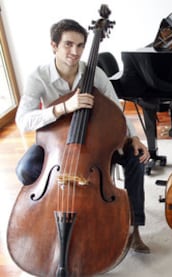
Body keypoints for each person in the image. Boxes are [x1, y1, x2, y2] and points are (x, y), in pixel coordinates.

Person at [15, 19, 151, 253]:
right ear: (54, 45)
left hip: (96, 141)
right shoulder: (38, 77)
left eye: (80, 46)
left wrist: (134, 137)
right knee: (25, 169)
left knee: (135, 159)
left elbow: (116, 110)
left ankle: (134, 227)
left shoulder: (94, 74)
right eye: (68, 44)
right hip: (55, 144)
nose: (75, 52)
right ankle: (45, 215)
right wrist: (62, 108)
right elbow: (23, 120)